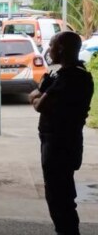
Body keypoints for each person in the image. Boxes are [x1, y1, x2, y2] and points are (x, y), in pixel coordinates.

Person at [29, 31, 94, 235]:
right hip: (57, 142)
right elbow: (34, 97)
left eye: (52, 45)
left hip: (60, 145)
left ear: (62, 49)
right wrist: (41, 91)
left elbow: (38, 104)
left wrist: (41, 92)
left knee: (60, 198)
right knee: (59, 195)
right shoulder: (68, 74)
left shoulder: (71, 78)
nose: (49, 50)